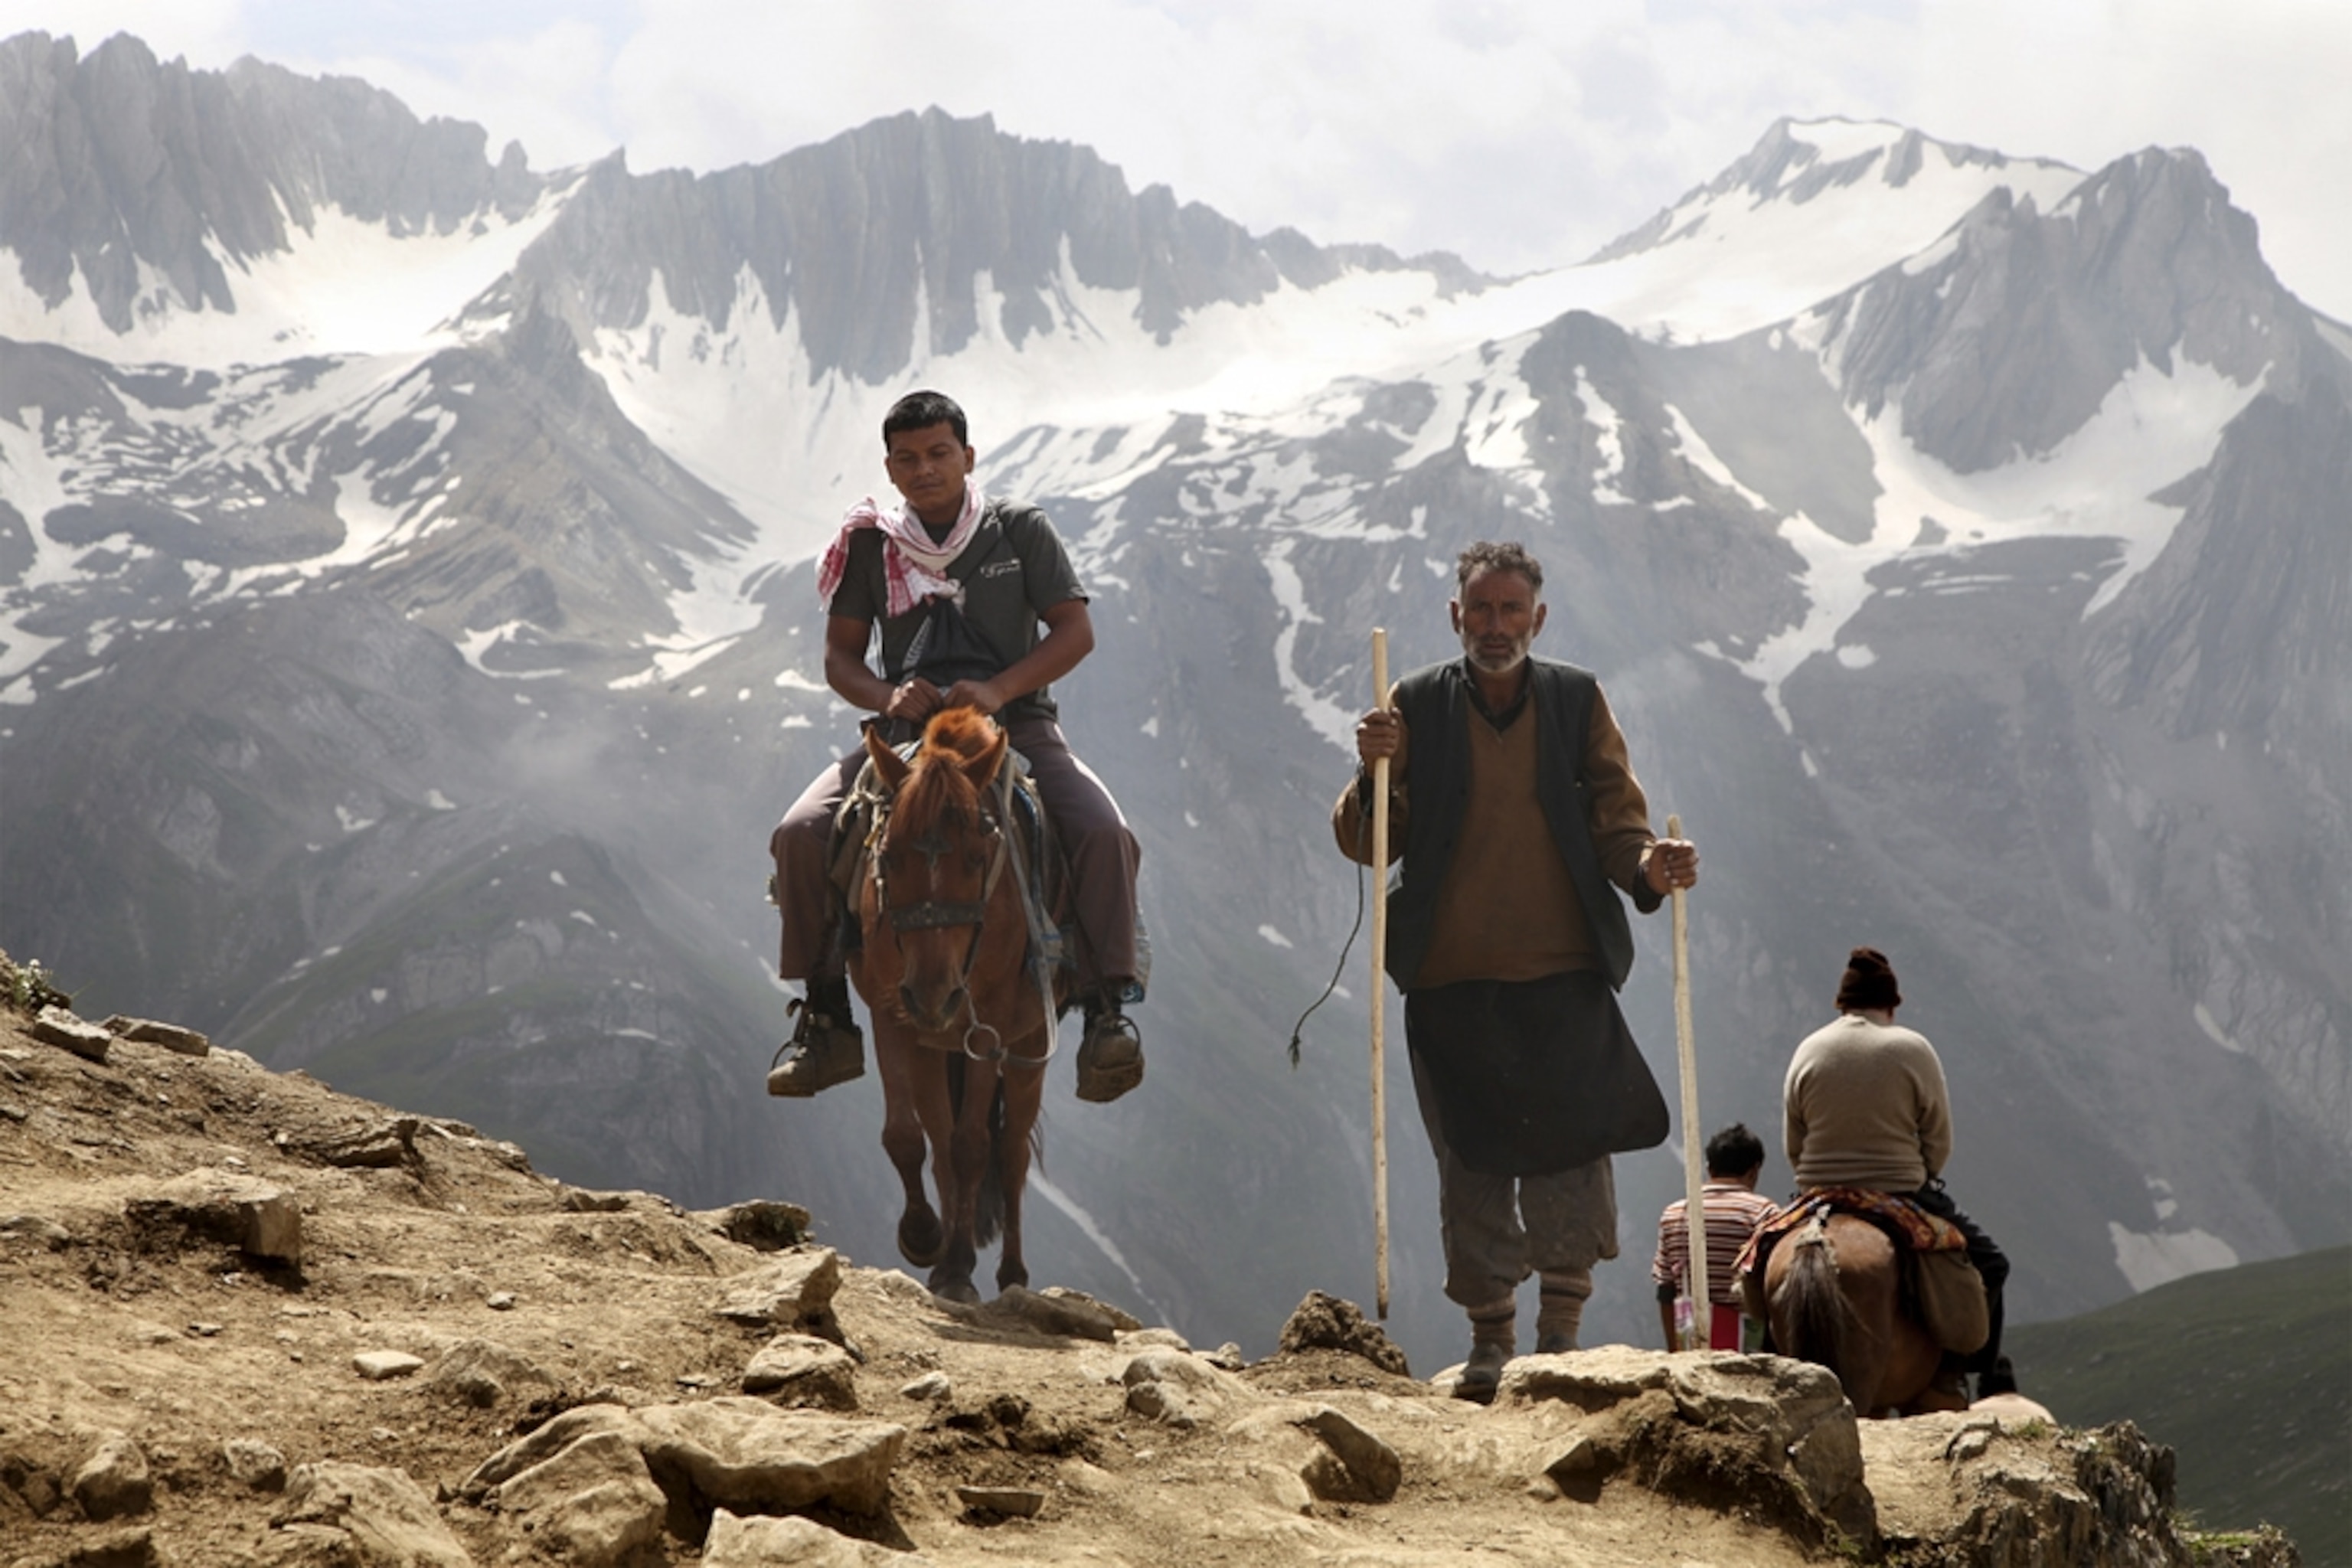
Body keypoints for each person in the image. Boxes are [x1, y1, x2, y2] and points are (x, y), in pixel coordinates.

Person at [1334, 540, 1698, 1401]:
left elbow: (1620, 821)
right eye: (1481, 610)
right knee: (1474, 1159)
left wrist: (1651, 866)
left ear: (1539, 618)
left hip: (1563, 971)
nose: (1496, 627)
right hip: (1450, 980)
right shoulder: (1414, 703)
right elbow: (1364, 839)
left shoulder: (1574, 700)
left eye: (1512, 611)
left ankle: (1562, 1335)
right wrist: (1373, 764)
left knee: (1572, 1153)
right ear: (1455, 616)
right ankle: (1492, 1339)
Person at [766, 390, 1145, 1103]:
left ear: (968, 457)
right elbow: (841, 658)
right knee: (800, 834)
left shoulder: (1018, 530)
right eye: (907, 458)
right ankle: (826, 1018)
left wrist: (1000, 691)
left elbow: (1074, 631)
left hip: (1016, 727)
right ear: (889, 467)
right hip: (908, 734)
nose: (925, 469)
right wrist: (886, 697)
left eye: (940, 453)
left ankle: (1105, 1011)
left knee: (1105, 833)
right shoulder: (872, 545)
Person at [1782, 946, 2016, 1397]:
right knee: (1991, 1264)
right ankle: (1958, 1371)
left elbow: (1794, 1141)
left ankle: (1766, 1357)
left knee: (1756, 1263)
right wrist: (1923, 1172)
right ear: (1890, 1005)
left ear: (1842, 1004)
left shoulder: (1808, 1048)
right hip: (1899, 1190)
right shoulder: (1912, 1048)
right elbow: (1937, 1136)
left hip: (1819, 1191)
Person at [1651, 1122, 1779, 1351]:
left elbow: (1665, 1290)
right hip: (1747, 1348)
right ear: (1754, 1170)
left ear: (1709, 1168)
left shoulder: (1674, 1214)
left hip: (1691, 1342)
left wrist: (1674, 1352)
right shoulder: (1765, 1214)